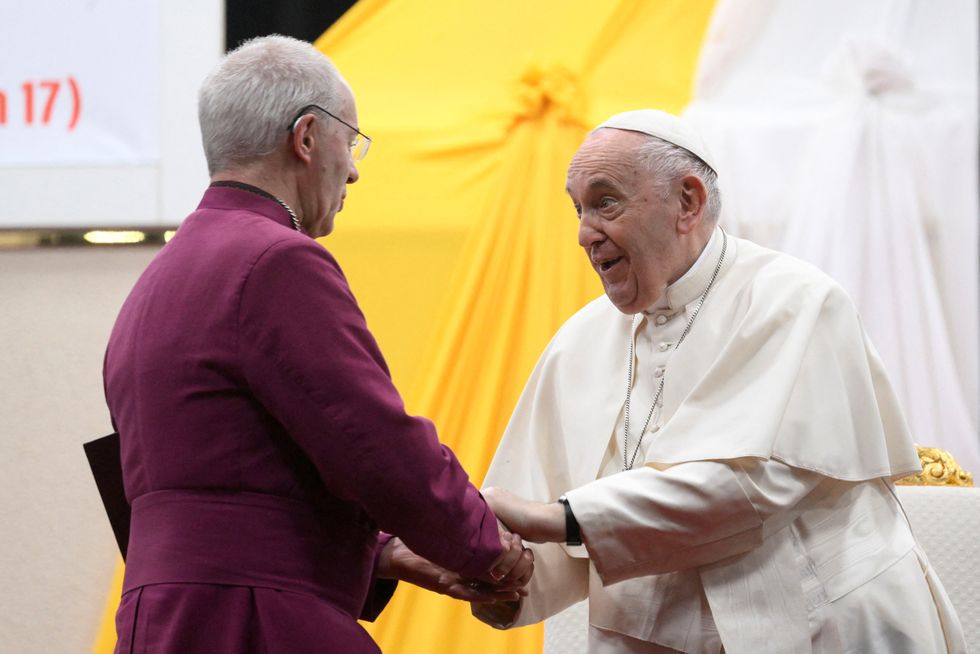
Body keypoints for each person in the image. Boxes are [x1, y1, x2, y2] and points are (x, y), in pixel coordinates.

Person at [472, 109, 967, 653]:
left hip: (823, 622)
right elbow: (537, 508)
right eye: (578, 209)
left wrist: (556, 520)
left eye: (605, 202)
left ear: (688, 202)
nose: (585, 234)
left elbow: (750, 487)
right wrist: (502, 576)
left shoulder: (795, 300)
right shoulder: (580, 341)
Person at [103, 35, 531, 654]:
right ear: (305, 138)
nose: (354, 166)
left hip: (163, 619)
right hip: (255, 622)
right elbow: (376, 444)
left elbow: (220, 481)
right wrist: (487, 548)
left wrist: (388, 552)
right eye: (350, 140)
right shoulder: (277, 261)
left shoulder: (157, 280)